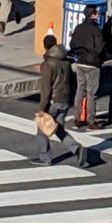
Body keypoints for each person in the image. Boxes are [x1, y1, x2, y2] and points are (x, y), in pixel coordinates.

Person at [32, 34, 89, 168]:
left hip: (53, 101)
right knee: (59, 129)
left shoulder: (48, 64)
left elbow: (46, 88)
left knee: (42, 130)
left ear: (45, 46)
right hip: (65, 99)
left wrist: (42, 108)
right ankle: (77, 149)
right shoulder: (66, 61)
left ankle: (45, 157)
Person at [70, 5, 105, 130]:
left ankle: (77, 117)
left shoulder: (78, 27)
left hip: (80, 61)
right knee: (92, 93)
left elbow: (72, 44)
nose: (98, 15)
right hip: (93, 63)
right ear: (93, 15)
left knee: (80, 90)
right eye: (96, 13)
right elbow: (99, 48)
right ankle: (91, 120)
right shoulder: (96, 30)